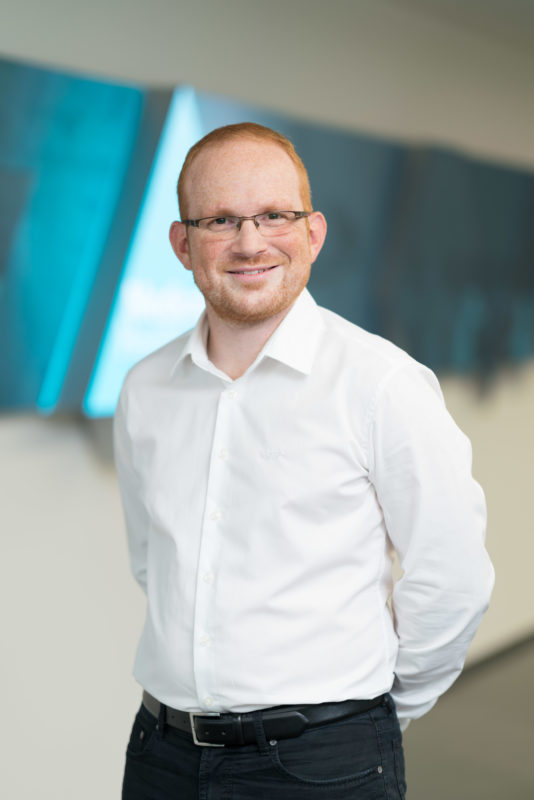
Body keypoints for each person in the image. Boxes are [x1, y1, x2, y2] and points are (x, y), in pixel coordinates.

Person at [114, 122, 494, 799]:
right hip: (161, 756)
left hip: (323, 764)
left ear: (312, 233)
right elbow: (157, 564)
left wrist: (368, 715)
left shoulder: (381, 384)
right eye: (220, 220)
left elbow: (453, 578)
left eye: (273, 216)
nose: (250, 242)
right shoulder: (146, 389)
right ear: (182, 243)